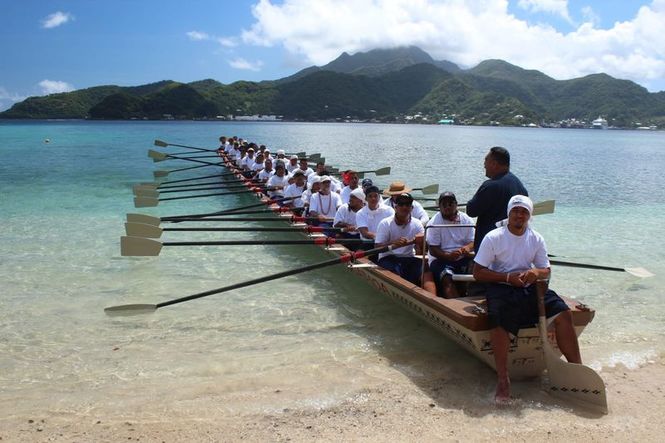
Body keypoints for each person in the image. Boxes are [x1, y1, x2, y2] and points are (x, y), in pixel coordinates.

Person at [473, 195, 580, 405]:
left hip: (527, 285)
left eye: (524, 212)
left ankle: (577, 369)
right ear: (509, 214)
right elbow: (478, 272)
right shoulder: (494, 237)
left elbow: (545, 269)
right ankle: (503, 378)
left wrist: (535, 273)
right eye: (516, 211)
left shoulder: (536, 238)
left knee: (562, 312)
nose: (519, 215)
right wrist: (507, 278)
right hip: (500, 285)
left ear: (529, 216)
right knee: (497, 318)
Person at [466, 146, 528, 252]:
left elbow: (471, 211)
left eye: (486, 161)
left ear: (494, 164)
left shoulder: (491, 186)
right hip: (514, 245)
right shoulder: (520, 186)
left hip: (491, 246)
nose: (484, 165)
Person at [426, 192, 475, 298]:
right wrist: (449, 256)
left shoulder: (466, 219)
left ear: (456, 204)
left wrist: (467, 248)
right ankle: (456, 307)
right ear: (439, 207)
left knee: (478, 268)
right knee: (447, 278)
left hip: (463, 256)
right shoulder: (433, 223)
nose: (447, 206)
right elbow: (433, 249)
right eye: (444, 204)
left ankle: (470, 295)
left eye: (450, 203)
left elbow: (473, 242)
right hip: (440, 259)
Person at [375, 193, 425, 285]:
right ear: (395, 207)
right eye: (401, 204)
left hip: (408, 257)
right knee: (395, 273)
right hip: (388, 258)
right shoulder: (385, 223)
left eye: (407, 205)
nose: (404, 207)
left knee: (426, 270)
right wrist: (393, 243)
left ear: (411, 208)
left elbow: (423, 247)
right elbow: (377, 248)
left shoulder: (417, 224)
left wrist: (422, 242)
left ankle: (431, 297)